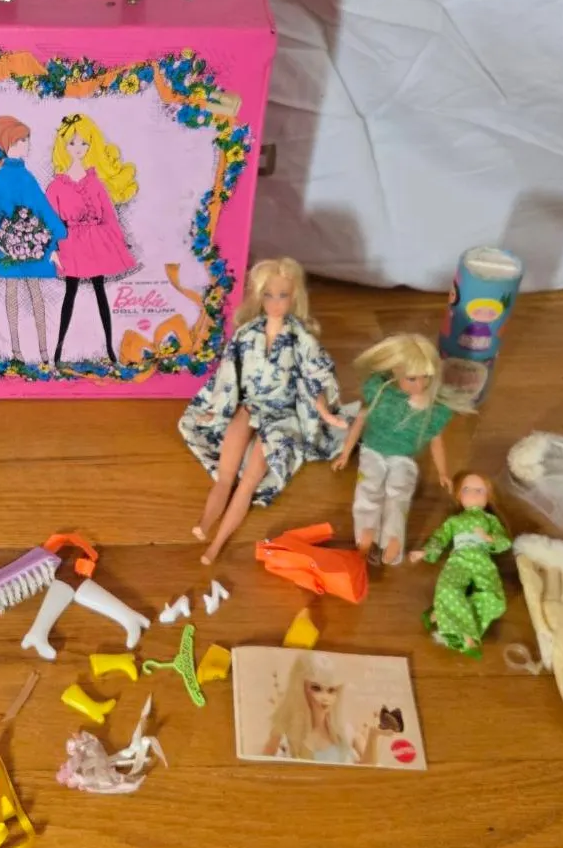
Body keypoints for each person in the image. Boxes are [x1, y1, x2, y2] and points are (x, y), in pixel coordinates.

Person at [179, 257, 353, 565]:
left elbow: (316, 378)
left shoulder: (302, 340)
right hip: (249, 406)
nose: (274, 303)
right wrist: (216, 410)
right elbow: (228, 375)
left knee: (247, 484)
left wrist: (325, 413)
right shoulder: (246, 334)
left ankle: (216, 546)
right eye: (268, 295)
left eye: (282, 295)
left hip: (281, 417)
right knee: (226, 474)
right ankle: (204, 523)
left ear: (294, 296)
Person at [332, 333, 467, 566]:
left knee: (399, 495)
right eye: (412, 378)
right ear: (395, 371)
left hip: (403, 457)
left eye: (426, 377)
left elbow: (436, 440)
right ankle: (366, 535)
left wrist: (443, 472)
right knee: (368, 490)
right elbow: (361, 420)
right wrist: (345, 453)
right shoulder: (380, 393)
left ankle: (392, 539)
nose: (420, 385)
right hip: (372, 450)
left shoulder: (432, 409)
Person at [0, 116, 66, 364]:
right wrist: (2, 239)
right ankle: (16, 350)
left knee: (36, 295)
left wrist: (58, 235)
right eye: (21, 140)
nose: (27, 145)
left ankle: (43, 351)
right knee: (13, 296)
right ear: (8, 143)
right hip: (8, 249)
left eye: (27, 139)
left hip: (35, 245)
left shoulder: (27, 177)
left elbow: (43, 208)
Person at [43, 113, 139, 366]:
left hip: (96, 242)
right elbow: (50, 221)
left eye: (84, 143)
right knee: (70, 292)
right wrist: (52, 248)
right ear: (63, 146)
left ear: (91, 145)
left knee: (100, 291)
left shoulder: (95, 183)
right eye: (73, 143)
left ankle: (109, 347)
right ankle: (58, 349)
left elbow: (109, 216)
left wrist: (117, 243)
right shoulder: (56, 187)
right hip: (71, 244)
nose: (79, 148)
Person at [410, 472, 512, 657]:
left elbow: (504, 541)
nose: (472, 493)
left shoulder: (490, 520)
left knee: (496, 601)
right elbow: (440, 538)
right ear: (458, 496)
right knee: (448, 589)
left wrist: (489, 538)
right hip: (459, 559)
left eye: (479, 490)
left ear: (488, 497)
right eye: (466, 489)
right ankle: (466, 635)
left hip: (482, 560)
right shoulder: (454, 521)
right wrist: (425, 552)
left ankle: (442, 613)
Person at [260, 653, 381, 764]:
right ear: (300, 688)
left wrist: (373, 736)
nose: (325, 698)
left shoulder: (346, 731)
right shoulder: (284, 732)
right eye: (316, 688)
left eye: (331, 690)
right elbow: (261, 767)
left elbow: (370, 769)